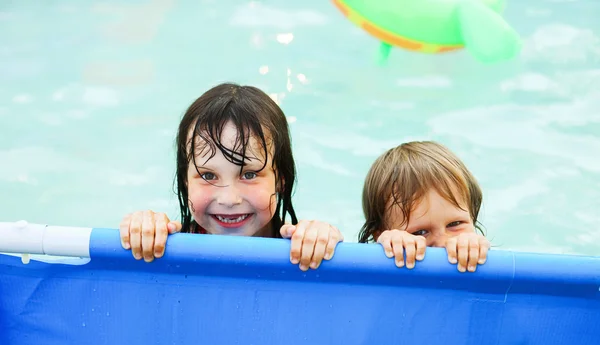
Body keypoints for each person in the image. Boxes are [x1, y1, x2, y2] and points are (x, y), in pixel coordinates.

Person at [119, 83, 343, 272]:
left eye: (249, 174)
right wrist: (142, 231)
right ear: (186, 183)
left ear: (281, 180)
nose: (228, 198)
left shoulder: (298, 247)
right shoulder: (167, 246)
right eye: (208, 175)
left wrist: (320, 240)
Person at [358, 141, 489, 273]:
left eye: (455, 224)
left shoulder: (482, 258)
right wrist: (389, 246)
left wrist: (477, 247)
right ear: (378, 235)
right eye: (419, 232)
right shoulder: (385, 256)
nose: (442, 243)